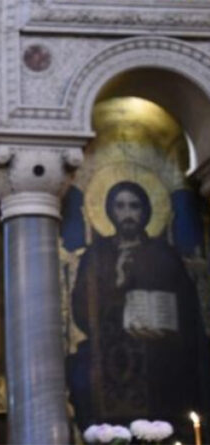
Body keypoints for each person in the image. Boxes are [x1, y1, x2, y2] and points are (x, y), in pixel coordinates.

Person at [68, 181, 210, 441]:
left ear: (145, 211)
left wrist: (166, 325)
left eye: (134, 206)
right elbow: (80, 311)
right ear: (110, 211)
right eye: (120, 206)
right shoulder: (97, 255)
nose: (127, 214)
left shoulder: (163, 254)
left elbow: (188, 310)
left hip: (160, 352)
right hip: (110, 353)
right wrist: (117, 281)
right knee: (81, 371)